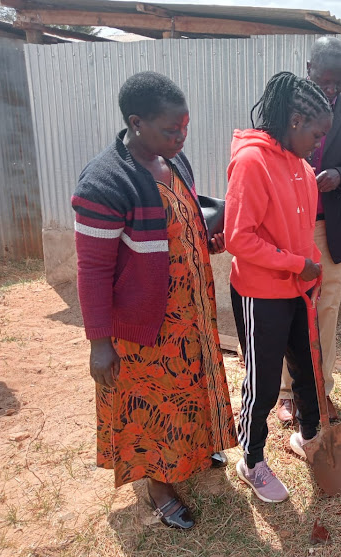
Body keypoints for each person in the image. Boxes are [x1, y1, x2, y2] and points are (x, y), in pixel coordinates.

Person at [72, 71, 238, 530]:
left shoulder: (172, 162)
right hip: (146, 323)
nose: (181, 136)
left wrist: (205, 237)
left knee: (187, 390)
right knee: (151, 402)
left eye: (185, 127)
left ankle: (194, 452)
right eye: (171, 129)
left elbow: (177, 220)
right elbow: (93, 269)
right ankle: (159, 486)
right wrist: (99, 343)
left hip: (191, 315)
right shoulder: (104, 181)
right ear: (136, 122)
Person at [225, 72, 333, 503]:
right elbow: (238, 237)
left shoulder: (303, 168)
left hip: (296, 291)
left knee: (307, 370)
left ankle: (308, 438)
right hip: (260, 293)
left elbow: (304, 233)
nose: (318, 144)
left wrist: (314, 272)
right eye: (316, 133)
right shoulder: (251, 162)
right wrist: (296, 265)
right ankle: (251, 459)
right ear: (294, 120)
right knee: (265, 383)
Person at [276, 36, 341, 425]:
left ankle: (320, 392)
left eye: (340, 82)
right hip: (288, 227)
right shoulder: (284, 106)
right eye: (325, 82)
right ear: (309, 70)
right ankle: (287, 393)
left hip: (326, 229)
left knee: (327, 311)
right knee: (288, 308)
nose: (332, 90)